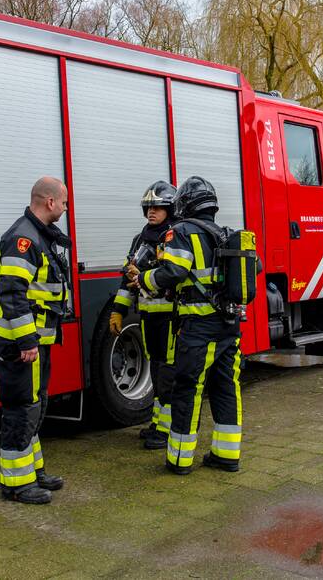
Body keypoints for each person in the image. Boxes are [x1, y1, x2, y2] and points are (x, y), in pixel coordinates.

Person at [130, 176, 243, 475]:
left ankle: (179, 459)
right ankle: (226, 455)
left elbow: (173, 272)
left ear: (185, 203)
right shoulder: (224, 233)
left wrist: (144, 279)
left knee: (186, 388)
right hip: (229, 324)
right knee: (225, 387)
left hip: (198, 327)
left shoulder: (181, 232)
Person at [0, 176, 71, 504]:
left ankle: (32, 472)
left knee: (34, 407)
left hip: (36, 342)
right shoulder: (23, 239)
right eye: (64, 202)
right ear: (50, 202)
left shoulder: (37, 236)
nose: (66, 208)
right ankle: (15, 484)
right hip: (21, 344)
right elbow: (12, 294)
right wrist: (26, 340)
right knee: (21, 410)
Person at [110, 181, 177, 450]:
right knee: (158, 371)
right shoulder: (141, 239)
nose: (151, 212)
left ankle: (169, 429)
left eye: (158, 207)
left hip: (172, 318)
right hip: (149, 318)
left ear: (170, 209)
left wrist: (146, 277)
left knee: (168, 375)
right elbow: (128, 279)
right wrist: (118, 311)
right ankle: (158, 424)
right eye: (148, 207)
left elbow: (175, 276)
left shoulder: (175, 237)